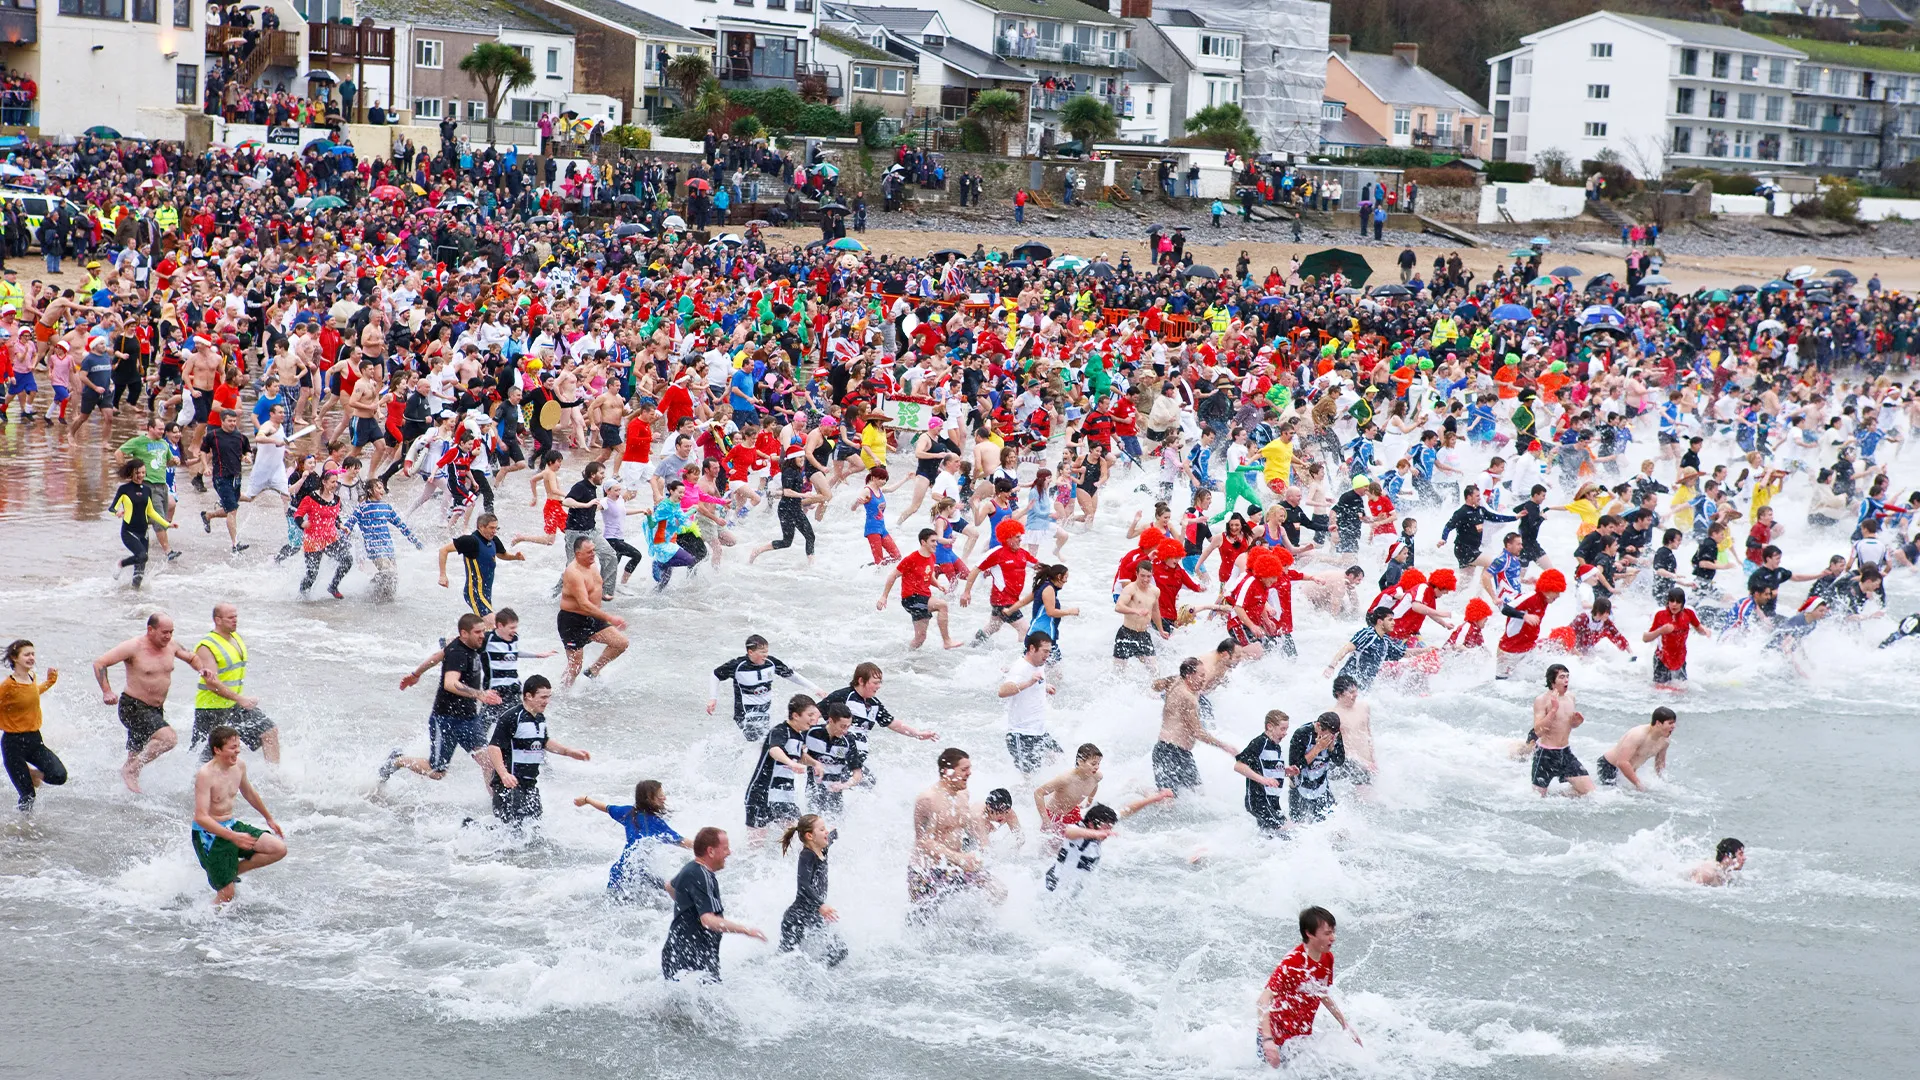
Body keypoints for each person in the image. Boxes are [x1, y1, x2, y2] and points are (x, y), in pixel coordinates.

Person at [92, 612, 213, 792]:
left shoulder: (171, 646)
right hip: (133, 706)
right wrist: (107, 691)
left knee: (135, 756)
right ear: (150, 629)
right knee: (168, 738)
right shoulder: (133, 647)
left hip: (155, 708)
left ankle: (122, 793)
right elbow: (100, 663)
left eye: (171, 632)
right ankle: (132, 771)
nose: (168, 636)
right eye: (164, 632)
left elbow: (192, 658)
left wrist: (202, 669)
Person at [378, 613, 500, 785]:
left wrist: (416, 674)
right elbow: (450, 683)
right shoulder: (458, 653)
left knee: (488, 763)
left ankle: (496, 806)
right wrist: (480, 694)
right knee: (437, 772)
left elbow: (438, 655)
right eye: (478, 632)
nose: (483, 635)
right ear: (464, 634)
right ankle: (398, 760)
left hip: (469, 719)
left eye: (483, 631)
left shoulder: (468, 644)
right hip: (446, 720)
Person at [191, 725, 288, 905]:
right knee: (227, 894)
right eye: (232, 748)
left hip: (231, 825)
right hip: (209, 836)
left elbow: (249, 792)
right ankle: (207, 926)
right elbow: (201, 817)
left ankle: (230, 872)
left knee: (278, 848)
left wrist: (269, 818)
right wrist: (234, 836)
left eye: (238, 746)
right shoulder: (205, 775)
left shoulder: (239, 766)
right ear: (217, 750)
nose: (237, 751)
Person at [1256, 906, 1361, 1068]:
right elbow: (1263, 1000)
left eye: (1333, 932)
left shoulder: (1327, 958)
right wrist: (1268, 1041)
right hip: (1275, 1040)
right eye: (1327, 933)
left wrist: (1344, 1025)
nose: (1333, 938)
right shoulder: (1291, 963)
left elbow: (1321, 993)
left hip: (1299, 1040)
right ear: (1309, 934)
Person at [661, 827, 766, 981]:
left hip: (676, 953)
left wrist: (687, 905)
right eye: (725, 848)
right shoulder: (702, 876)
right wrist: (745, 930)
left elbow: (670, 886)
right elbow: (708, 920)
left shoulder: (691, 868)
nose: (729, 852)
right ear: (710, 851)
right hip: (692, 958)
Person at [483, 674, 589, 826]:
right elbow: (494, 747)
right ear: (528, 696)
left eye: (548, 697)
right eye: (543, 697)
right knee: (510, 833)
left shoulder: (540, 718)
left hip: (530, 785)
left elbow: (544, 742)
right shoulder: (512, 717)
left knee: (535, 831)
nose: (547, 701)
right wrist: (504, 774)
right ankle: (472, 831)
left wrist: (568, 752)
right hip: (508, 786)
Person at [910, 747, 1006, 914]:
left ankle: (979, 930)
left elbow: (961, 824)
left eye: (969, 768)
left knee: (998, 891)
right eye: (964, 769)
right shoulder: (928, 800)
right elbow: (924, 842)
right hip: (926, 870)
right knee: (923, 920)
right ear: (947, 771)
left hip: (956, 865)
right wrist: (958, 858)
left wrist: (986, 832)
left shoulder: (963, 795)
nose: (969, 773)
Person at [576, 779, 695, 901]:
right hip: (636, 877)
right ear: (649, 798)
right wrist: (706, 846)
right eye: (660, 795)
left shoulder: (627, 812)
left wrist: (587, 800)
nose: (664, 798)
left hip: (619, 873)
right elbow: (682, 841)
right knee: (672, 896)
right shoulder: (655, 823)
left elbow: (606, 808)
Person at [190, 602, 279, 764]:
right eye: (230, 617)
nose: (235, 620)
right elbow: (211, 683)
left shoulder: (235, 638)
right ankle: (195, 786)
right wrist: (240, 699)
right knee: (208, 758)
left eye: (236, 617)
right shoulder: (206, 646)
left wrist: (238, 700)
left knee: (269, 732)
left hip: (233, 705)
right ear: (218, 620)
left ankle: (274, 777)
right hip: (211, 710)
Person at [1147, 657, 1239, 794]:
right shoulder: (1188, 698)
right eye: (1201, 675)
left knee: (1196, 794)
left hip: (1181, 753)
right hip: (1167, 751)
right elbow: (1197, 732)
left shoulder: (1177, 680)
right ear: (1189, 676)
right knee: (1167, 800)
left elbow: (1155, 685)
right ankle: (1137, 788)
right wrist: (1223, 746)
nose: (1203, 678)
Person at [709, 634, 822, 740]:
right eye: (762, 652)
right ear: (750, 652)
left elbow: (791, 675)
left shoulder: (770, 663)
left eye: (766, 651)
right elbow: (715, 675)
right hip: (745, 714)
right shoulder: (737, 666)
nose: (766, 655)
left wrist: (816, 689)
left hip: (764, 712)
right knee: (759, 742)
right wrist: (713, 698)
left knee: (763, 740)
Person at [745, 694, 819, 843]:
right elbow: (775, 750)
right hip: (761, 794)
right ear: (795, 716)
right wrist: (791, 764)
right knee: (756, 846)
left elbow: (798, 756)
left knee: (797, 838)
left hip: (784, 795)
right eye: (809, 715)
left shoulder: (799, 735)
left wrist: (815, 764)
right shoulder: (780, 731)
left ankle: (786, 864)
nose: (813, 719)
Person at [2, 639, 65, 810]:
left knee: (59, 776)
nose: (31, 658)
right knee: (28, 797)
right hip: (13, 744)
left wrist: (50, 681)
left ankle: (32, 773)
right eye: (27, 654)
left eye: (33, 654)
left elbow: (32, 694)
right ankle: (21, 831)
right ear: (15, 658)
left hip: (34, 741)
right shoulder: (8, 686)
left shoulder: (31, 677)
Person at [557, 535, 628, 686]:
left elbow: (594, 589)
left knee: (620, 643)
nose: (593, 554)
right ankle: (562, 695)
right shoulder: (573, 572)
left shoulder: (593, 565)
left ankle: (593, 671)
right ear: (578, 554)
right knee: (575, 667)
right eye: (589, 552)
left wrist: (605, 596)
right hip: (572, 622)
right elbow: (583, 604)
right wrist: (611, 617)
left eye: (593, 550)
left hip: (592, 618)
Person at [777, 813, 847, 965]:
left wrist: (835, 831)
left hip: (812, 916)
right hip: (796, 918)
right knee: (786, 961)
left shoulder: (822, 851)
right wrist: (820, 905)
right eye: (822, 829)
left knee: (840, 950)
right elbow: (803, 885)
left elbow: (832, 837)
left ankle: (814, 975)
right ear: (809, 836)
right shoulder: (806, 856)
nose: (826, 832)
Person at [878, 528, 963, 649]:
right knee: (942, 605)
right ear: (923, 542)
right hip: (911, 598)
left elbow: (927, 574)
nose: (936, 544)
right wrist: (884, 596)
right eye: (933, 541)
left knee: (921, 637)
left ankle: (905, 657)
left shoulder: (932, 557)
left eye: (936, 541)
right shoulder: (911, 559)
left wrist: (937, 584)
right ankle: (947, 641)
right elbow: (893, 575)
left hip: (924, 596)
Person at [998, 632, 1061, 776]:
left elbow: (1034, 679)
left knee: (1059, 762)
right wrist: (1029, 682)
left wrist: (1043, 685)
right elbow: (1002, 691)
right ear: (1032, 648)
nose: (1047, 655)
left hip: (1039, 731)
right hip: (1021, 735)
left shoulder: (1038, 664)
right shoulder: (1020, 669)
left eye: (1049, 651)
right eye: (1045, 651)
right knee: (1029, 781)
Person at [1529, 663, 1594, 797]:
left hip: (1565, 753)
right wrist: (1553, 710)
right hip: (1545, 755)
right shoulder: (1541, 700)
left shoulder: (1571, 697)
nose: (1566, 680)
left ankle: (1557, 796)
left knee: (1590, 793)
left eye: (1567, 676)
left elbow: (1565, 725)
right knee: (1536, 799)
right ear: (1552, 682)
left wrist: (1576, 723)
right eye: (1562, 677)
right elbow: (1538, 730)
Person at [1233, 709, 1292, 834]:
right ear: (1270, 726)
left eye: (1286, 729)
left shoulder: (1276, 746)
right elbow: (1239, 766)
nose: (1285, 733)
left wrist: (1286, 771)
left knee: (1272, 837)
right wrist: (1263, 780)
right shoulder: (1260, 742)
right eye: (1282, 729)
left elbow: (1267, 769)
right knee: (1286, 833)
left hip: (1272, 801)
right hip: (1259, 800)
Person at [1643, 587, 1708, 690]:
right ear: (1667, 601)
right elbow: (1645, 638)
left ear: (1683, 603)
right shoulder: (1659, 614)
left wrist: (1705, 631)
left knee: (1681, 691)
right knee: (1660, 691)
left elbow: (1698, 627)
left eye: (1678, 601)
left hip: (1680, 658)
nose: (1674, 604)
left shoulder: (1689, 612)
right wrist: (1660, 631)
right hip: (1662, 657)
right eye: (1671, 601)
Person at [1596, 706, 1676, 790]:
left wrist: (1662, 781)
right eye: (1670, 723)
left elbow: (1660, 763)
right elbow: (1622, 762)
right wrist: (1638, 784)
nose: (1674, 726)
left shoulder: (1665, 741)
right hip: (1609, 767)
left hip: (1628, 770)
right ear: (1658, 723)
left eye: (1674, 723)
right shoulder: (1637, 735)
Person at [1288, 713, 1346, 823]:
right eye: (1327, 735)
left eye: (1332, 736)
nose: (1329, 738)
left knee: (1336, 826)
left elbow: (1339, 761)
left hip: (1321, 788)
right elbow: (1294, 768)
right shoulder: (1302, 734)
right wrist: (1317, 748)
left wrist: (1331, 748)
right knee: (1298, 831)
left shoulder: (1335, 735)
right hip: (1300, 789)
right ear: (1318, 726)